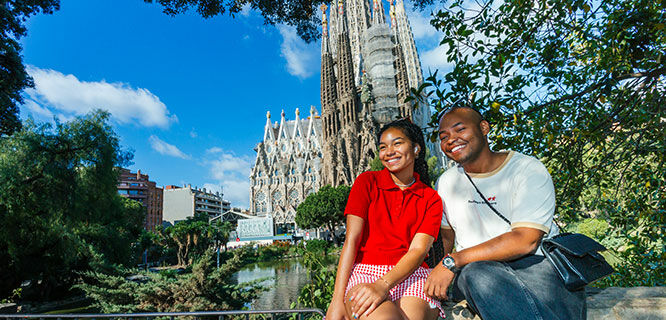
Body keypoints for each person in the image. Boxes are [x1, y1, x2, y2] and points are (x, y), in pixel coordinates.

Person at [424, 105, 586, 319]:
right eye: (444, 136)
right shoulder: (447, 182)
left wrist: (452, 261)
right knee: (478, 275)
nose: (451, 139)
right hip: (476, 275)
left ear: (483, 128)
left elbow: (525, 240)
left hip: (535, 266)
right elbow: (446, 238)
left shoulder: (526, 169)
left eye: (460, 129)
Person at [326, 119, 445, 320]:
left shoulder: (430, 198)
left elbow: (418, 251)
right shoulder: (367, 182)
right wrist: (337, 299)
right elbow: (351, 240)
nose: (389, 151)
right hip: (366, 271)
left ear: (416, 148)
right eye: (383, 147)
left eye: (397, 143)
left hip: (412, 274)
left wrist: (383, 285)